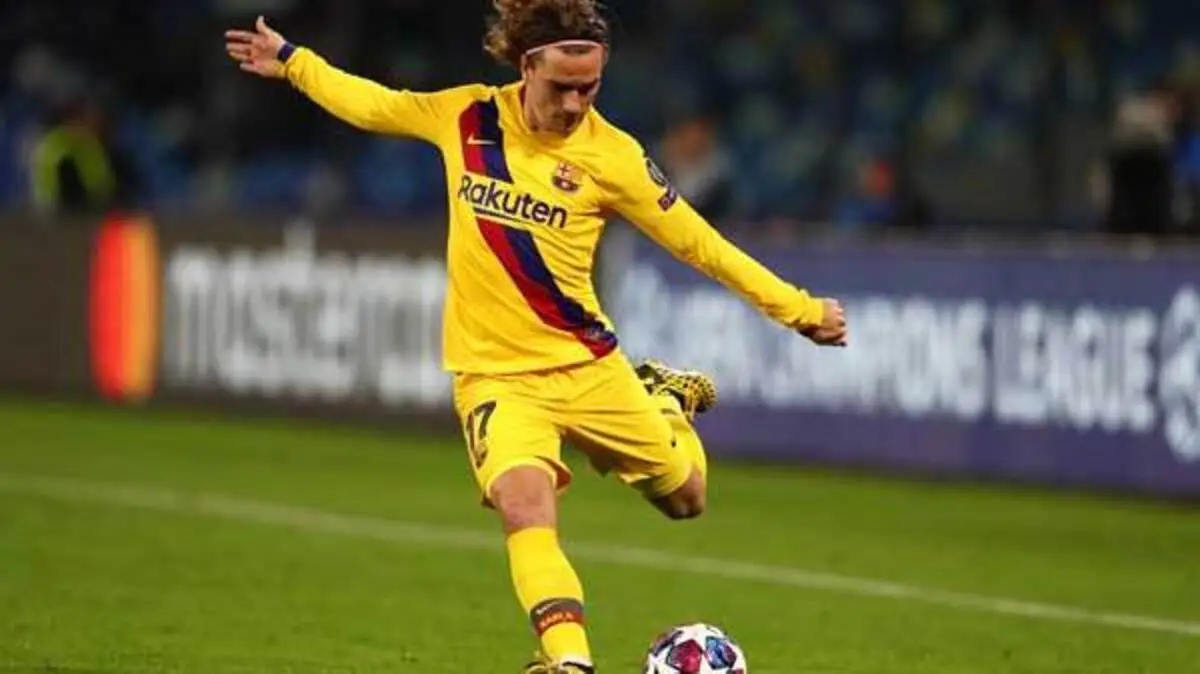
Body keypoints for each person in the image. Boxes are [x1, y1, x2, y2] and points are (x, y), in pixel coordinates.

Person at [225, 2, 848, 672]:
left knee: (686, 499)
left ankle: (665, 399)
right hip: (496, 378)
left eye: (590, 88)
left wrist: (798, 309)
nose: (576, 104)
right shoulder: (467, 117)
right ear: (527, 67)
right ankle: (570, 661)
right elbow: (375, 105)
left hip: (587, 366)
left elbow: (702, 245)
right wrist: (292, 61)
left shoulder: (614, 157)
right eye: (562, 87)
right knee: (524, 506)